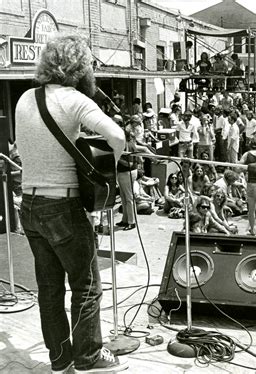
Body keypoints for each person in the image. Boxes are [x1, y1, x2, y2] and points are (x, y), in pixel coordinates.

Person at [16, 34, 127, 373]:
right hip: (63, 206)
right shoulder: (74, 99)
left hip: (30, 205)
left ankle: (60, 358)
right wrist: (107, 166)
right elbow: (117, 136)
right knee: (86, 285)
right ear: (80, 68)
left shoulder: (24, 98)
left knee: (49, 289)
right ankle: (89, 356)